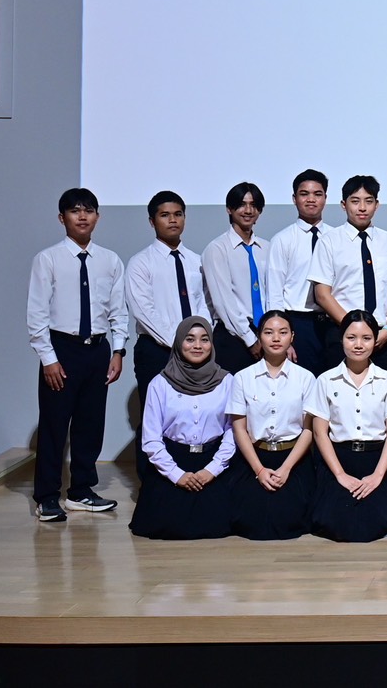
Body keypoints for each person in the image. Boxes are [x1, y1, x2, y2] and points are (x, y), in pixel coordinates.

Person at [26, 187, 127, 522]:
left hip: (97, 350)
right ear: (62, 218)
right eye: (74, 210)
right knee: (54, 426)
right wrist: (48, 358)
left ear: (97, 216)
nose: (82, 216)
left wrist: (118, 350)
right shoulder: (48, 259)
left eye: (89, 210)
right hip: (62, 350)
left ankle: (81, 491)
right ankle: (46, 497)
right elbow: (37, 315)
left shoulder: (110, 260)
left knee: (90, 424)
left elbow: (118, 311)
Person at [125, 190, 212, 482]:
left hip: (196, 353)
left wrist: (199, 341)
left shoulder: (196, 261)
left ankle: (190, 477)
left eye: (178, 214)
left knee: (193, 417)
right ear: (152, 221)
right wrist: (181, 343)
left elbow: (204, 304)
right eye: (165, 215)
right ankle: (150, 485)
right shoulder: (140, 263)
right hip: (157, 350)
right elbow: (144, 311)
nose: (172, 220)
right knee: (154, 418)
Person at [130, 316, 237, 539]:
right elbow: (151, 439)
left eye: (204, 339)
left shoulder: (227, 382)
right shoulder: (160, 384)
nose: (197, 345)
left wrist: (212, 469)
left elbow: (233, 431)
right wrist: (176, 475)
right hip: (172, 462)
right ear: (179, 343)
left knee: (224, 524)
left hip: (213, 462)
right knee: (163, 525)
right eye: (190, 339)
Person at [306, 310, 387, 541]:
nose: (358, 345)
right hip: (338, 460)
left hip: (377, 460)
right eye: (351, 338)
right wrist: (340, 474)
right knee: (336, 523)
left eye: (366, 338)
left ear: (375, 340)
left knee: (379, 522)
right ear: (341, 339)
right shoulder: (325, 380)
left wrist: (378, 475)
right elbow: (320, 433)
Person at [227, 309, 316, 540]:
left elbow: (308, 429)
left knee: (292, 519)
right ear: (259, 336)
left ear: (292, 337)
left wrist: (285, 469)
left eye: (283, 332)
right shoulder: (242, 378)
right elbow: (239, 428)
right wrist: (259, 470)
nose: (276, 338)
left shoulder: (306, 378)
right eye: (268, 332)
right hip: (255, 457)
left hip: (294, 458)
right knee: (249, 521)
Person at [310, 176, 387, 373]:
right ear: (343, 204)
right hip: (341, 334)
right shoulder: (329, 241)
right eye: (355, 201)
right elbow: (322, 294)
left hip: (381, 336)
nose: (362, 208)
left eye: (368, 201)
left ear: (377, 205)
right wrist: (354, 330)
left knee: (380, 389)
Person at [264, 169, 332, 376]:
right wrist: (282, 336)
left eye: (317, 194)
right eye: (304, 194)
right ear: (294, 199)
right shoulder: (282, 240)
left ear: (325, 198)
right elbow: (274, 291)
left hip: (332, 322)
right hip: (299, 323)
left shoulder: (336, 237)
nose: (311, 199)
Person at [201, 181, 271, 373]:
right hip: (233, 337)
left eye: (254, 205)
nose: (248, 210)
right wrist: (250, 339)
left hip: (264, 334)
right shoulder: (217, 249)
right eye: (241, 204)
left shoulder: (267, 248)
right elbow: (223, 302)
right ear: (229, 209)